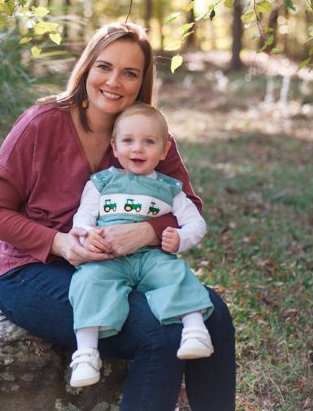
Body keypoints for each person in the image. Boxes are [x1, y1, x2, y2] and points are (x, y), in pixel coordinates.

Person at [0, 22, 235, 411]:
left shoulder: (144, 132)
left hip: (123, 268)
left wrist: (149, 230)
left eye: (130, 73)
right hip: (33, 272)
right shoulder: (41, 122)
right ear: (86, 68)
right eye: (105, 67)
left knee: (212, 310)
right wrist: (61, 244)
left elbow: (186, 206)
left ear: (144, 82)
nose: (114, 82)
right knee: (161, 332)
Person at [69, 102, 215, 390]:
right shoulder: (101, 183)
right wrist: (88, 234)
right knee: (88, 280)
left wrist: (180, 239)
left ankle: (195, 331)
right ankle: (86, 352)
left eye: (149, 142)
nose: (137, 149)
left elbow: (197, 224)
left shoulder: (169, 188)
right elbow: (82, 217)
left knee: (175, 275)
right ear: (114, 145)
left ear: (164, 150)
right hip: (109, 256)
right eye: (128, 141)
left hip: (152, 255)